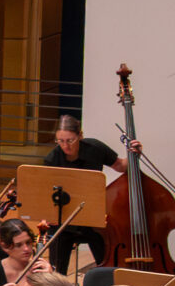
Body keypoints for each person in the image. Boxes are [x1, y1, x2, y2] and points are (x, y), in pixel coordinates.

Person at [38, 112, 122, 273]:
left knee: (106, 267)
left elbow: (119, 165)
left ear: (80, 135)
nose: (65, 146)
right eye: (60, 141)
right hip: (64, 222)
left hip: (93, 220)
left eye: (70, 140)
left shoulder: (95, 148)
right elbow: (45, 195)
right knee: (57, 272)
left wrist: (134, 153)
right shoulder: (52, 159)